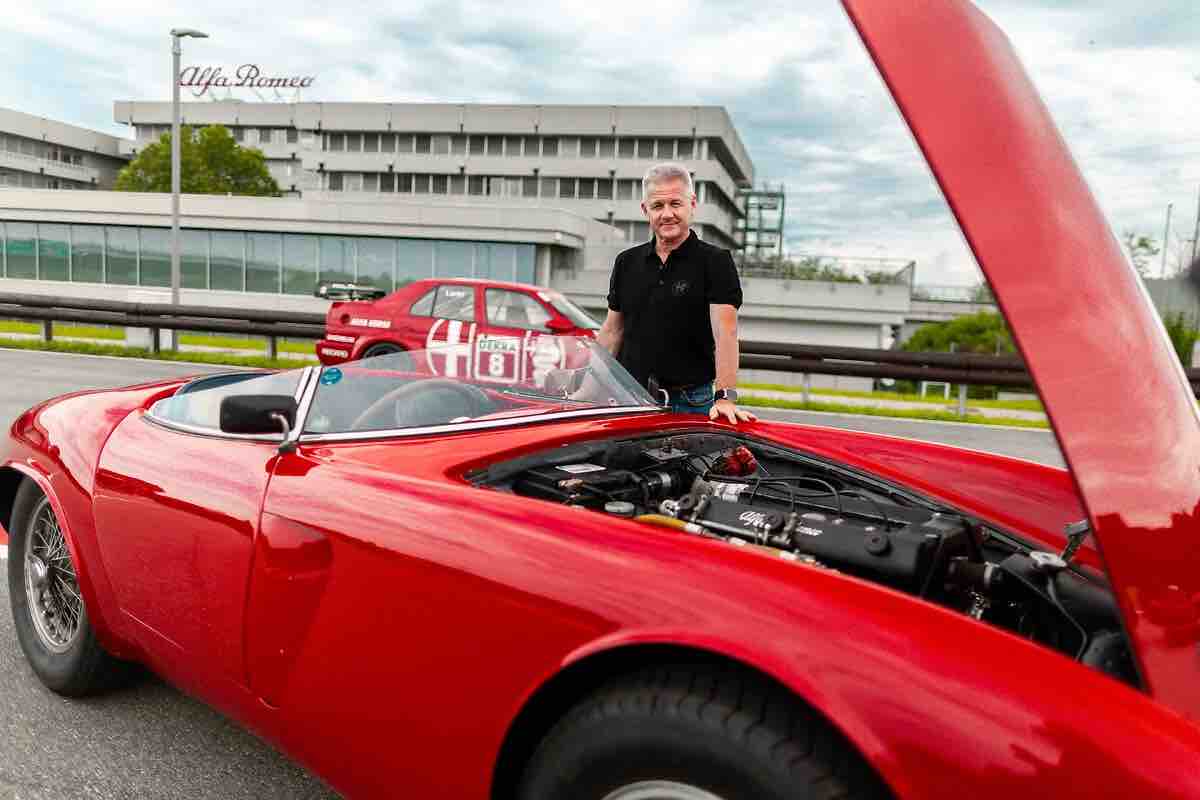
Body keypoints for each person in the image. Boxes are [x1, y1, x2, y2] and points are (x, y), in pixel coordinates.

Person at [598, 162, 756, 425]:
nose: (667, 214)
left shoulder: (716, 262)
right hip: (629, 399)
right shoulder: (626, 262)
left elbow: (725, 333)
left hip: (691, 402)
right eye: (658, 206)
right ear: (645, 210)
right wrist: (586, 392)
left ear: (692, 204)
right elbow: (612, 332)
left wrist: (725, 397)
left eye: (675, 204)